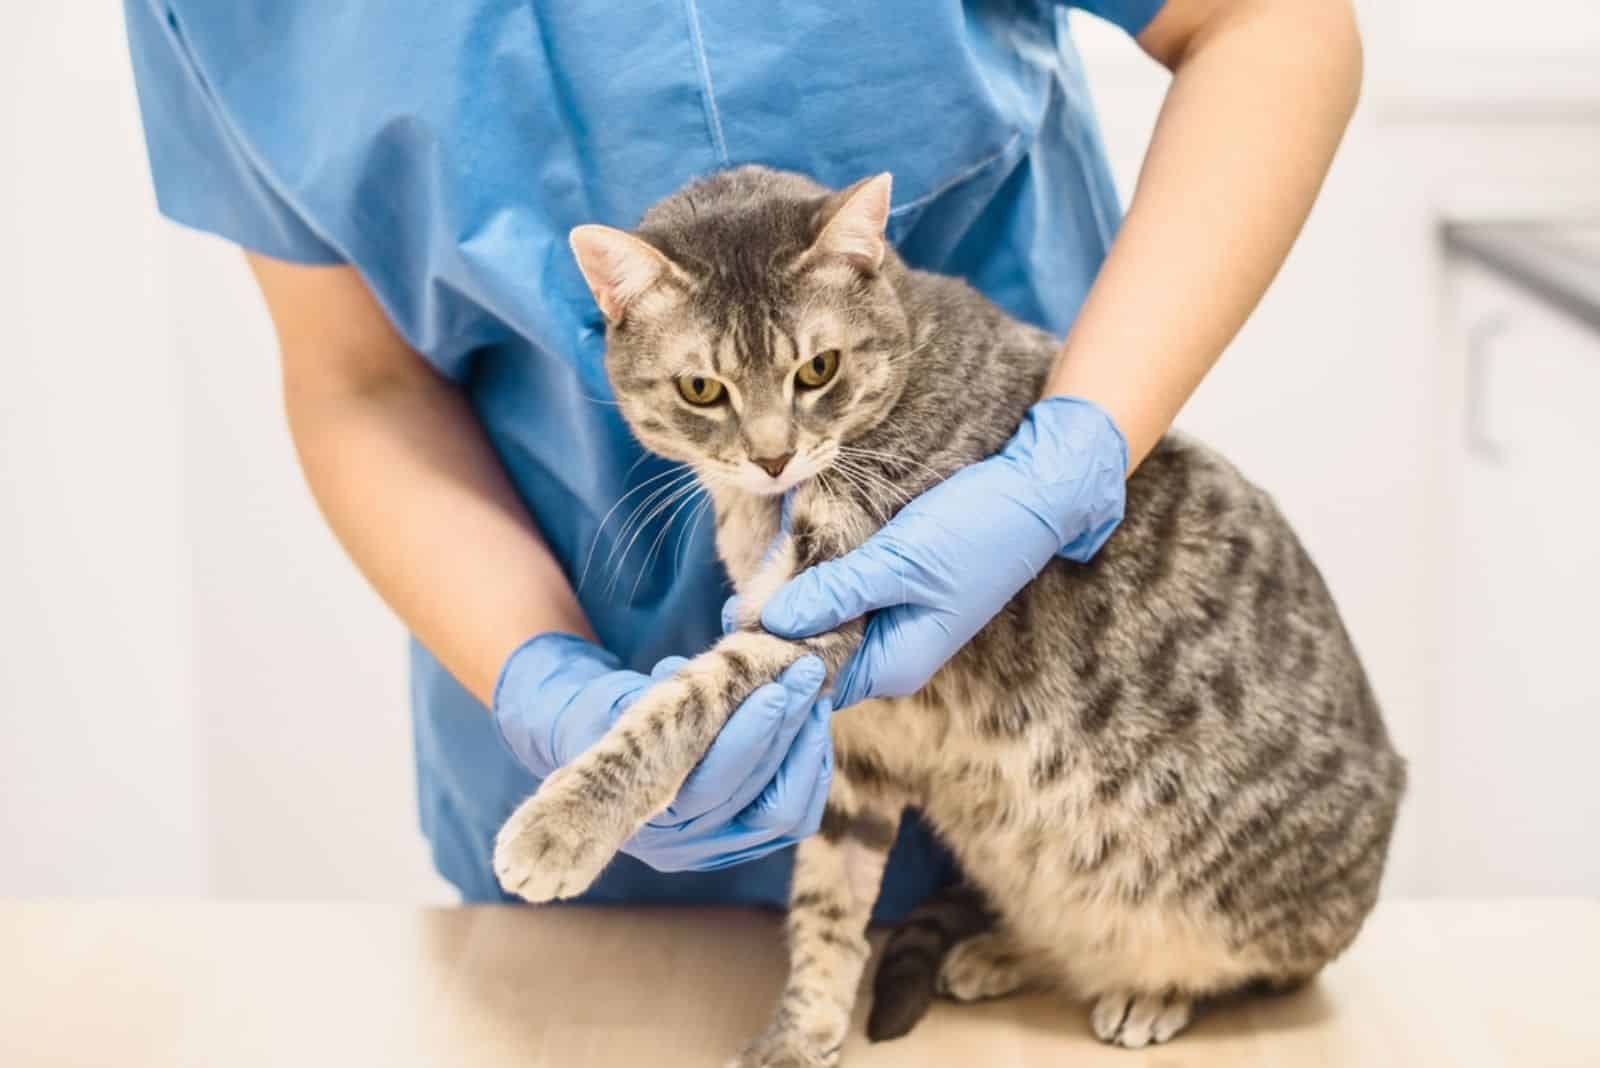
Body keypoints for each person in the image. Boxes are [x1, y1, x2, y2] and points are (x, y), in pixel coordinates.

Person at [123, 0, 1363, 916]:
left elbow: (1267, 23)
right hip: (572, 732)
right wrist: (544, 681)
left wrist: (1073, 451)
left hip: (1047, 693)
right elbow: (360, 378)